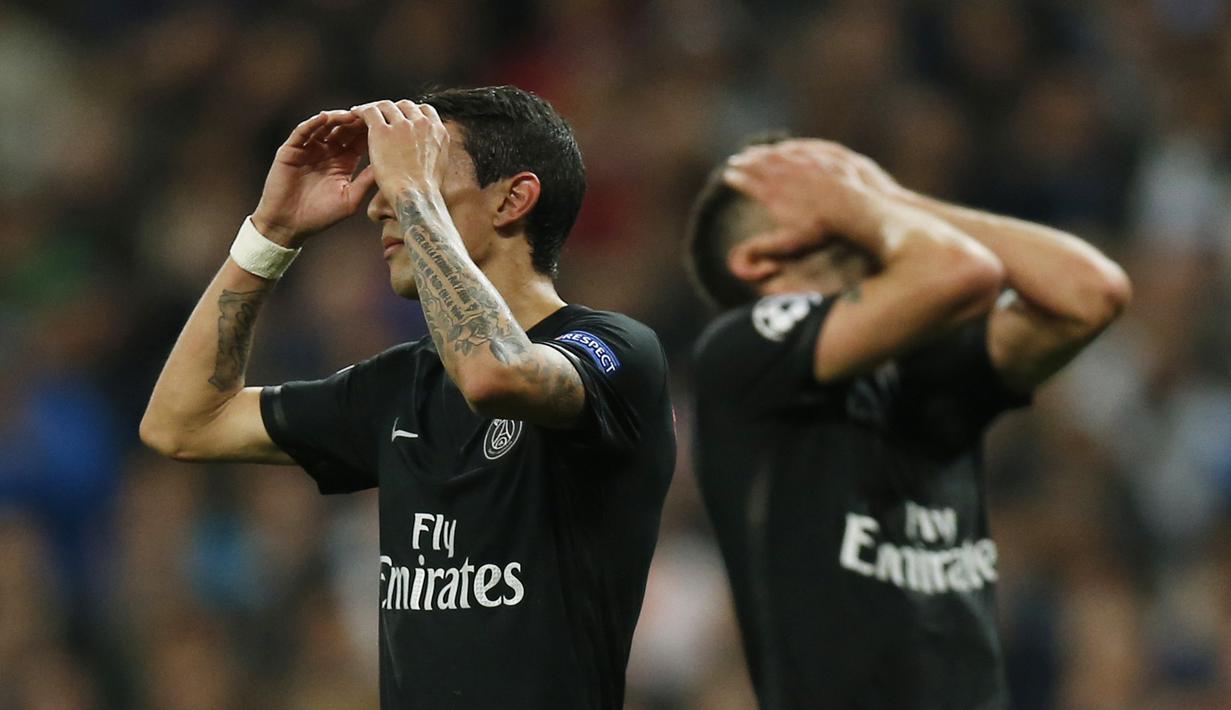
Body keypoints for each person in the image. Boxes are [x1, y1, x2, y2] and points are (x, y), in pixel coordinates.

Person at [140, 86, 676, 709]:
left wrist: (415, 193)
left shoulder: (617, 353)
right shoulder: (399, 386)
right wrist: (272, 232)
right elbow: (183, 424)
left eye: (417, 168)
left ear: (514, 198)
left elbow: (493, 375)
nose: (379, 205)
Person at [685, 138, 1130, 709]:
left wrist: (891, 198)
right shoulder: (740, 354)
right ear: (759, 260)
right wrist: (868, 203)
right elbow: (963, 272)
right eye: (827, 197)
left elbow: (1092, 291)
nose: (857, 198)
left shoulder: (928, 371)